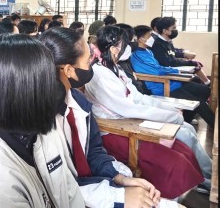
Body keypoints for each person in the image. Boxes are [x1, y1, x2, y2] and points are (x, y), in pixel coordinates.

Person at [40, 27, 183, 207]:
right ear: (68, 70)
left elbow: (93, 152)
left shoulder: (78, 102)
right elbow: (58, 188)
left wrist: (120, 178)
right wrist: (117, 196)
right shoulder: (40, 119)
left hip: (93, 186)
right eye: (87, 59)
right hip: (78, 196)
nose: (92, 63)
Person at [84, 25, 212, 195]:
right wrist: (169, 116)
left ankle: (208, 177)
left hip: (130, 120)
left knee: (186, 131)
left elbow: (138, 97)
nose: (129, 48)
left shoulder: (115, 68)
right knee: (182, 143)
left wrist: (170, 110)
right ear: (115, 49)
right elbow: (128, 109)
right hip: (117, 130)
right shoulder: (100, 75)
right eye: (126, 44)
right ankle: (205, 180)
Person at [0, 34, 85, 207]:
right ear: (23, 93)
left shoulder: (43, 130)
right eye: (47, 81)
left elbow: (69, 190)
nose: (55, 88)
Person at [131, 25, 215, 129]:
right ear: (141, 39)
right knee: (199, 104)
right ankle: (214, 126)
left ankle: (186, 119)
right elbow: (157, 71)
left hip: (171, 82)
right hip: (161, 87)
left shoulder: (148, 51)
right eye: (149, 36)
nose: (152, 38)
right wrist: (177, 70)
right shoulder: (137, 55)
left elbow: (159, 67)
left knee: (205, 91)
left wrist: (177, 70)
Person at [151, 17, 210, 85]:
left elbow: (172, 53)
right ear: (164, 31)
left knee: (197, 80)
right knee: (200, 86)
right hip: (167, 74)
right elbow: (169, 62)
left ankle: (208, 84)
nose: (175, 30)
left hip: (173, 69)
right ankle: (208, 84)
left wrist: (184, 55)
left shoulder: (168, 41)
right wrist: (189, 63)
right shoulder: (157, 44)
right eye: (173, 28)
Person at [114, 23, 150, 95]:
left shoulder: (125, 58)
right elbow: (133, 84)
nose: (136, 42)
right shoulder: (121, 62)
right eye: (134, 39)